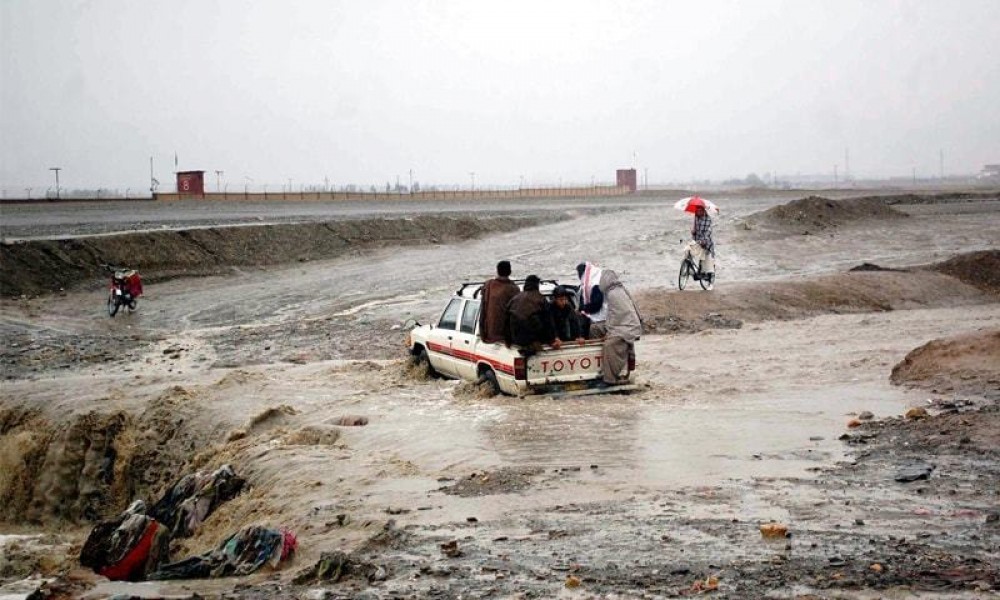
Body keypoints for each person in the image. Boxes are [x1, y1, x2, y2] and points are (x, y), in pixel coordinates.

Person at [575, 262, 642, 386]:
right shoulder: (614, 291)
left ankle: (609, 379)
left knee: (608, 345)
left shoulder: (613, 294)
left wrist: (610, 333)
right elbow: (612, 315)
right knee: (594, 329)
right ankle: (599, 372)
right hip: (619, 325)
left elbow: (616, 316)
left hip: (625, 327)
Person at [504, 275, 561, 352]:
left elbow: (506, 321)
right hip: (533, 339)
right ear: (537, 285)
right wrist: (552, 340)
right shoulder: (540, 299)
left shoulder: (514, 299)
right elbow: (548, 322)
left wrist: (508, 341)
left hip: (516, 339)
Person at [479, 260, 519, 343]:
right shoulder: (514, 289)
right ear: (510, 272)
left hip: (489, 333)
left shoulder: (488, 285)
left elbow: (483, 309)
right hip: (507, 335)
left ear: (497, 271)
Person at [691, 205, 715, 289]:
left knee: (708, 264)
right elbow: (695, 233)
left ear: (704, 210)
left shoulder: (708, 219)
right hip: (698, 242)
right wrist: (693, 232)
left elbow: (708, 232)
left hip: (706, 243)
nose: (699, 212)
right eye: (697, 210)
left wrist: (703, 241)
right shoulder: (696, 218)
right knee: (688, 250)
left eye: (700, 210)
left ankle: (711, 283)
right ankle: (689, 269)